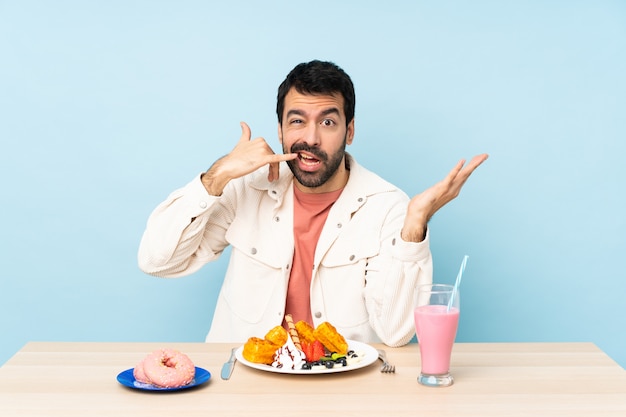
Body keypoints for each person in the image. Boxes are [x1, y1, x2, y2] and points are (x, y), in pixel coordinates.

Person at [138, 60, 488, 347]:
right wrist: (216, 177)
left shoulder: (388, 206)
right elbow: (157, 261)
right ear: (279, 131)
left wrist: (414, 225)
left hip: (341, 387)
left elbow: (396, 333)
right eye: (297, 121)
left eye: (328, 122)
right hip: (245, 383)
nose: (311, 138)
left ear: (349, 131)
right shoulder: (245, 188)